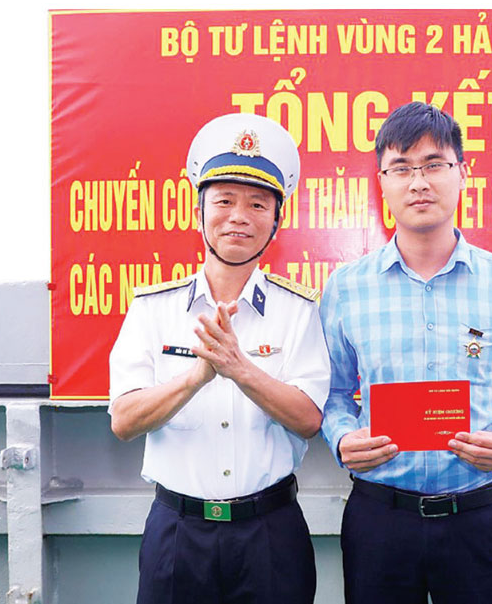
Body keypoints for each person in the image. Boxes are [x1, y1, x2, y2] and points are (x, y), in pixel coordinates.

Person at [319, 102, 492, 604]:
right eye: (401, 168)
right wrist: (341, 438)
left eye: (433, 165)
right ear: (381, 183)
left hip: (480, 519)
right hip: (380, 520)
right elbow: (333, 392)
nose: (418, 182)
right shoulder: (345, 287)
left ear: (462, 174)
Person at [109, 112, 330, 604]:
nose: (239, 216)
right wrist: (196, 377)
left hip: (270, 533)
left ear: (277, 220)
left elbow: (310, 419)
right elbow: (123, 420)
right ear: (198, 212)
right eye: (223, 200)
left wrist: (239, 369)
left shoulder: (299, 311)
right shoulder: (153, 309)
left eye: (257, 203)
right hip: (177, 534)